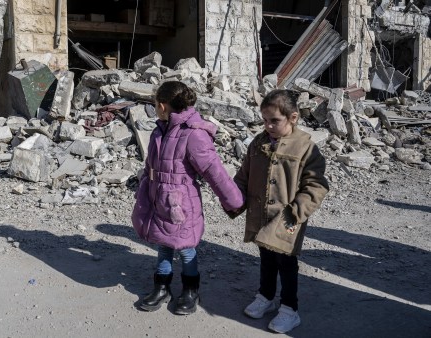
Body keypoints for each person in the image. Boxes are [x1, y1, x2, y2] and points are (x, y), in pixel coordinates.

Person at [131, 81, 244, 315]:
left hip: (180, 204)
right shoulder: (158, 131)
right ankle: (161, 288)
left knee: (185, 248)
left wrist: (233, 201)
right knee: (163, 246)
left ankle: (190, 291)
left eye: (155, 104)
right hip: (157, 200)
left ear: (162, 106)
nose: (154, 108)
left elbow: (215, 172)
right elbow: (150, 164)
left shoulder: (194, 135)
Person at [232, 89, 329, 333]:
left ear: (293, 117)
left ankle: (289, 308)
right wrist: (234, 197)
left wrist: (297, 210)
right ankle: (265, 297)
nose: (268, 126)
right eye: (264, 120)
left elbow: (316, 185)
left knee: (286, 262)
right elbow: (244, 174)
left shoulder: (306, 147)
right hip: (260, 213)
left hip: (287, 218)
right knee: (266, 258)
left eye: (275, 120)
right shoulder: (258, 142)